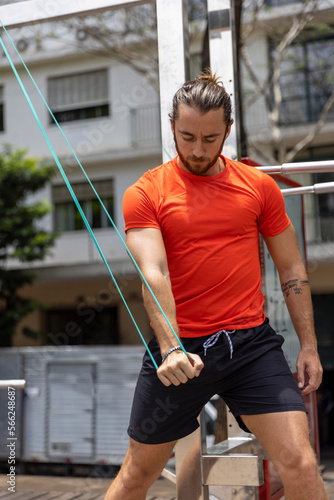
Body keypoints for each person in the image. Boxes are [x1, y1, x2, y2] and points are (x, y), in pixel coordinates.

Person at [104, 70, 326, 500]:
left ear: (227, 130)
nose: (198, 149)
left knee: (299, 462)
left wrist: (309, 345)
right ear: (172, 127)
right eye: (187, 137)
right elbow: (155, 273)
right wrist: (169, 347)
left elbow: (292, 268)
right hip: (180, 348)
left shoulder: (259, 187)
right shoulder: (145, 192)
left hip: (250, 346)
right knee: (137, 476)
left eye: (210, 138)